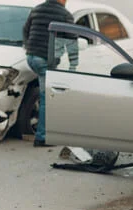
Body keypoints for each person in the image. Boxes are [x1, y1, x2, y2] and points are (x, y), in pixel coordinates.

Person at [23, 0, 78, 147]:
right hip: (44, 60)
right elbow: (72, 41)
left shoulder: (37, 9)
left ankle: (44, 130)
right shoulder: (65, 15)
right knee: (47, 97)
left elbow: (25, 30)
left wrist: (29, 47)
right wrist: (74, 65)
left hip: (31, 57)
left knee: (44, 93)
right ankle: (42, 137)